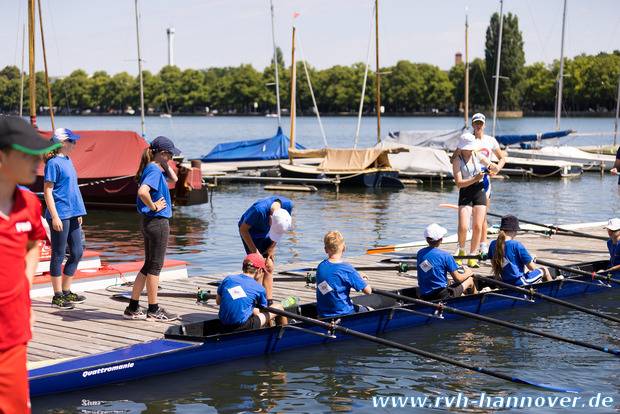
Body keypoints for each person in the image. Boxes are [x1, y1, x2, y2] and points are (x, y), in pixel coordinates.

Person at [0, 116, 60, 414]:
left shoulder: (30, 204)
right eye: (27, 154)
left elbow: (33, 244)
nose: (37, 163)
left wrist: (24, 297)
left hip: (13, 336)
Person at [123, 136, 180, 321]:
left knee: (148, 265)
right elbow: (142, 192)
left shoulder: (153, 168)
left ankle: (132, 306)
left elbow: (174, 178)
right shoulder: (154, 171)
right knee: (155, 267)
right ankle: (153, 309)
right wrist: (155, 206)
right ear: (162, 153)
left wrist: (164, 163)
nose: (172, 158)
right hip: (157, 221)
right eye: (170, 155)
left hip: (147, 221)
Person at [43, 128, 87, 309]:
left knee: (77, 252)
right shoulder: (52, 163)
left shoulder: (68, 160)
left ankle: (67, 291)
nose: (75, 143)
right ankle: (57, 295)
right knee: (58, 254)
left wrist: (79, 212)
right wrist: (55, 216)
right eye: (72, 141)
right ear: (62, 143)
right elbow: (48, 191)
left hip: (73, 213)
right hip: (60, 214)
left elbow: (72, 189)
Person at [238, 196, 293, 303]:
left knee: (269, 265)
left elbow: (281, 229)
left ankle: (269, 301)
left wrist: (272, 247)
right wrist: (255, 251)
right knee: (258, 267)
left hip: (267, 232)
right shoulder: (258, 209)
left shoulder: (288, 205)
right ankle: (258, 301)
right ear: (270, 217)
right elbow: (243, 229)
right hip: (251, 233)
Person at [216, 253, 287, 332]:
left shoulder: (228, 278)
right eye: (262, 271)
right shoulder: (259, 288)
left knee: (251, 307)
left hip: (222, 325)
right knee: (278, 307)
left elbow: (218, 301)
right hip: (242, 326)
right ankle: (285, 335)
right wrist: (270, 324)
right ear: (258, 270)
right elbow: (264, 311)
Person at [452, 133, 492, 268]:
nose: (469, 150)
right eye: (467, 147)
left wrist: (493, 168)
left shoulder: (477, 155)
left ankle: (473, 255)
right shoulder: (457, 161)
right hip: (465, 192)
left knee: (478, 226)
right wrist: (474, 178)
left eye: (470, 147)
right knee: (464, 226)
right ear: (462, 148)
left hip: (479, 191)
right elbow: (458, 183)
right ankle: (461, 251)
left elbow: (490, 164)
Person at [315, 230, 372, 318]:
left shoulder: (320, 267)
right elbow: (368, 291)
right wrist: (357, 278)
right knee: (370, 309)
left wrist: (356, 277)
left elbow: (329, 283)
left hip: (323, 312)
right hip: (343, 313)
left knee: (356, 305)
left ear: (326, 249)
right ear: (344, 248)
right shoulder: (347, 269)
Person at [416, 223, 477, 301]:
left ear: (426, 239)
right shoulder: (446, 255)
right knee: (470, 280)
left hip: (426, 295)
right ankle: (477, 301)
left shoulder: (420, 253)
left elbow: (428, 269)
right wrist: (468, 273)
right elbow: (458, 279)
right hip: (442, 296)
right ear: (441, 239)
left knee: (448, 282)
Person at [488, 215, 553, 286]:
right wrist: (531, 259)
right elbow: (532, 268)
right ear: (513, 230)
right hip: (518, 282)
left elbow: (493, 263)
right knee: (545, 270)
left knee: (524, 269)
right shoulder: (517, 245)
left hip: (501, 283)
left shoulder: (493, 244)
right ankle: (553, 290)